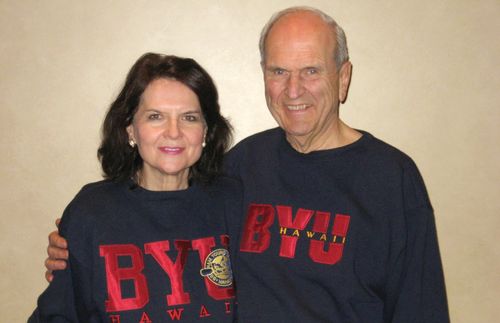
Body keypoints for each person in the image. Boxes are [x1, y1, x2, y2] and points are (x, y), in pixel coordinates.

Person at [44, 6, 450, 322]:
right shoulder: (239, 167)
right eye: (279, 71)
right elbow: (160, 221)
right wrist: (77, 250)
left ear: (342, 77)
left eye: (311, 70)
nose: (294, 90)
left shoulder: (391, 178)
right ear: (263, 76)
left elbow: (421, 308)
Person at [30, 53, 241, 322]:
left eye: (189, 118)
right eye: (156, 116)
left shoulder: (233, 202)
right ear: (130, 128)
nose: (174, 132)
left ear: (206, 130)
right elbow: (58, 314)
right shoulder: (91, 211)